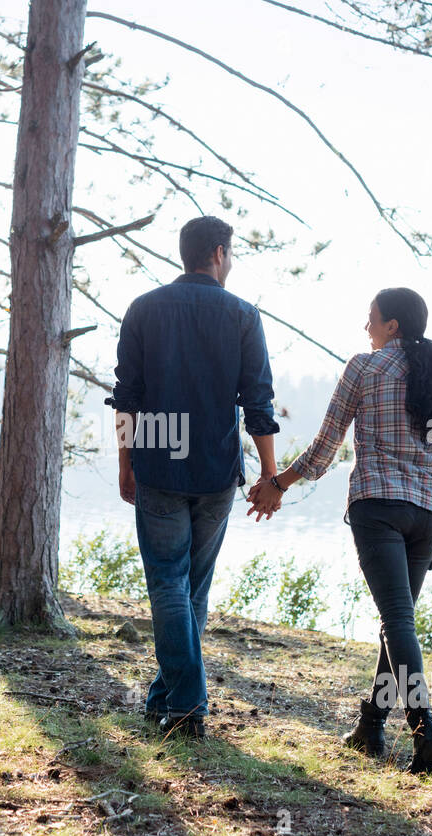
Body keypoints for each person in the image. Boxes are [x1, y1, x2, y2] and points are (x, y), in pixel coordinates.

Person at [246, 287, 432, 772]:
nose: (366, 328)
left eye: (371, 319)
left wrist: (278, 482)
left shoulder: (365, 368)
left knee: (397, 623)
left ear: (392, 326)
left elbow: (325, 447)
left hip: (379, 508)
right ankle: (370, 726)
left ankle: (424, 732)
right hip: (427, 515)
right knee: (397, 622)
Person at [107, 216, 280, 740]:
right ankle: (178, 701)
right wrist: (271, 475)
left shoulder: (143, 308)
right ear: (220, 254)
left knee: (170, 584)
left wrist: (125, 461)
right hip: (214, 466)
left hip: (158, 458)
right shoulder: (244, 315)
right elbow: (259, 402)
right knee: (190, 588)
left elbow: (127, 394)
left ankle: (177, 700)